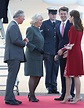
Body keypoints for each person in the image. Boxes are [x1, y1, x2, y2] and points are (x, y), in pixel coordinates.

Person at [59, 10, 84, 104]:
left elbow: (71, 44)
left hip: (74, 53)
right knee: (68, 74)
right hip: (76, 52)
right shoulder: (79, 28)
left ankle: (76, 95)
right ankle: (68, 94)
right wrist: (67, 51)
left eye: (70, 16)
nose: (69, 18)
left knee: (74, 75)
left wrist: (63, 50)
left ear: (72, 17)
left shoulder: (73, 28)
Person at [4, 10, 28, 105]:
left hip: (13, 55)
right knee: (12, 77)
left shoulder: (13, 26)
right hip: (13, 56)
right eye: (23, 17)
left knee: (12, 77)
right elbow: (15, 40)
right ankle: (9, 98)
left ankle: (10, 97)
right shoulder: (13, 26)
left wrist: (22, 41)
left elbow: (14, 40)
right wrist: (24, 43)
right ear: (18, 17)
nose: (24, 19)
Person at [24, 14, 48, 102]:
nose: (41, 22)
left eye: (42, 20)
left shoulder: (38, 30)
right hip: (32, 55)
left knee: (39, 75)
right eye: (40, 20)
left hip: (39, 56)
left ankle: (31, 93)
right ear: (35, 21)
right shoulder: (30, 29)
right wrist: (36, 48)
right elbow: (28, 42)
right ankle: (32, 94)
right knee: (33, 75)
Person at [54, 7, 75, 101]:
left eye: (64, 14)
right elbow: (57, 40)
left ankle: (71, 93)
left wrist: (68, 50)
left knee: (70, 74)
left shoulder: (71, 24)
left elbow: (73, 40)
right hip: (60, 52)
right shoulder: (58, 24)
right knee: (62, 73)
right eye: (61, 14)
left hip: (70, 52)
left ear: (67, 14)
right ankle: (64, 94)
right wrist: (56, 53)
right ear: (59, 14)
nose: (63, 15)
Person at [40, 7, 60, 94]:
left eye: (55, 14)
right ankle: (49, 86)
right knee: (48, 69)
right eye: (52, 14)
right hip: (48, 50)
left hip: (57, 50)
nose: (54, 16)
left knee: (55, 69)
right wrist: (43, 51)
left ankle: (54, 86)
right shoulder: (44, 24)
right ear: (49, 14)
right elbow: (42, 38)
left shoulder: (59, 23)